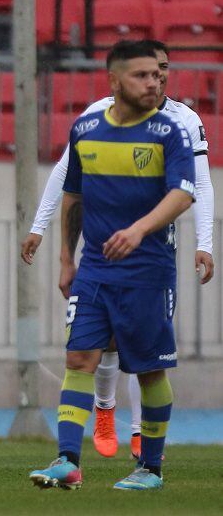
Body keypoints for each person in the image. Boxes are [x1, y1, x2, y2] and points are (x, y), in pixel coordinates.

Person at [21, 40, 214, 460]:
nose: (156, 79)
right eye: (144, 73)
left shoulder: (179, 125)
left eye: (160, 70)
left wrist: (202, 242)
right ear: (115, 79)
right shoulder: (90, 123)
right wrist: (56, 245)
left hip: (149, 263)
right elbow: (68, 181)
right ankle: (75, 450)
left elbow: (192, 188)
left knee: (144, 360)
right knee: (84, 351)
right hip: (95, 260)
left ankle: (144, 444)